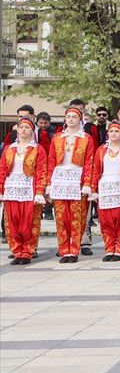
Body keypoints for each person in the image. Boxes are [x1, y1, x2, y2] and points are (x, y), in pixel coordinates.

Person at [48, 106, 93, 262]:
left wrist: (87, 183)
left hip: (77, 180)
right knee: (61, 217)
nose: (71, 119)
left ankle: (73, 249)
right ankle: (63, 248)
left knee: (76, 216)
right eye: (69, 116)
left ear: (80, 119)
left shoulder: (86, 138)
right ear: (65, 119)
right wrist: (49, 183)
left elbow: (89, 162)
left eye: (75, 116)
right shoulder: (57, 137)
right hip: (60, 180)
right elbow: (51, 161)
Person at [1, 117, 48, 264]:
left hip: (29, 189)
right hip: (11, 189)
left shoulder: (37, 149)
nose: (23, 130)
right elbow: (2, 169)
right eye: (21, 127)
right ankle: (16, 251)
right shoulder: (9, 149)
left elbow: (42, 171)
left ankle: (27, 252)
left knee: (29, 221)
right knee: (12, 220)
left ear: (32, 130)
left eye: (27, 127)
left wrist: (40, 191)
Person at [89, 122, 120, 261]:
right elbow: (96, 170)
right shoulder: (101, 150)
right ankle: (109, 248)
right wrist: (93, 189)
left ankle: (119, 249)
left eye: (117, 131)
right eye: (111, 131)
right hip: (105, 188)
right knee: (106, 221)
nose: (114, 134)